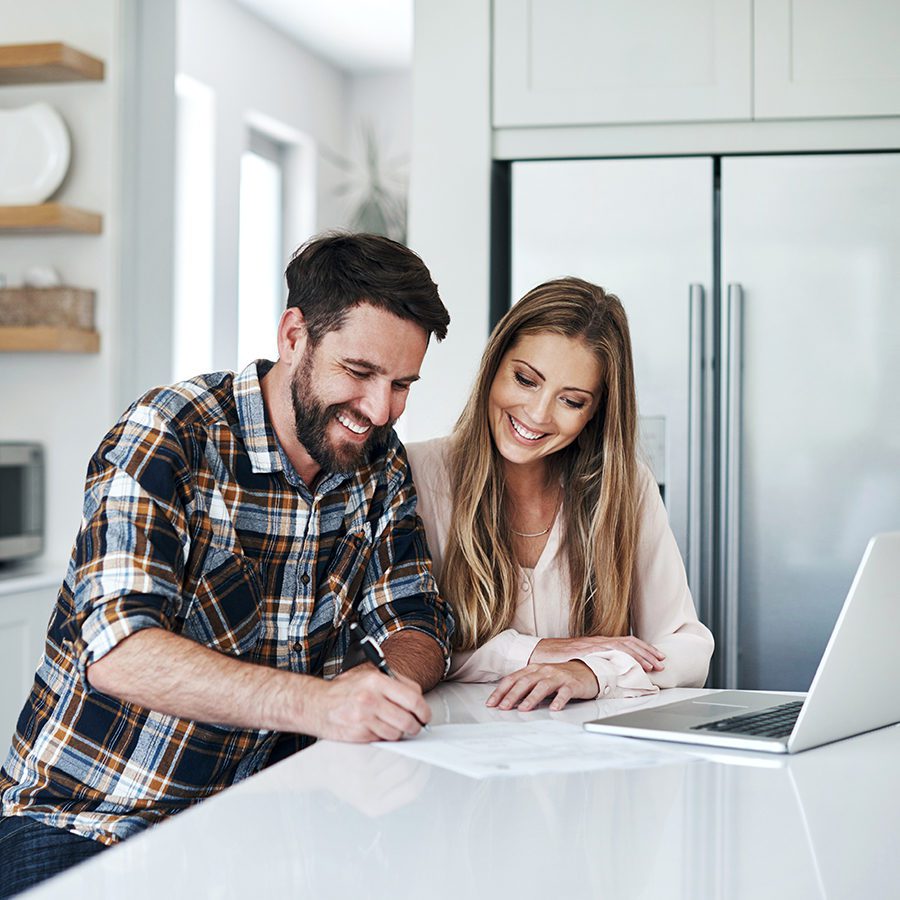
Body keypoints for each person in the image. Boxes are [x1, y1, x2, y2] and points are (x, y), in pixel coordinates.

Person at [0, 233, 453, 896]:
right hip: (90, 819)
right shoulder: (169, 433)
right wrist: (320, 705)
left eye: (402, 384)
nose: (380, 410)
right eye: (359, 373)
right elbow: (118, 649)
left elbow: (416, 616)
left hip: (260, 819)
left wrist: (389, 687)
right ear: (294, 334)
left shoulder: (378, 463)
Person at [407, 277, 713, 712]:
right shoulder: (415, 475)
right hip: (453, 755)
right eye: (525, 379)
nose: (537, 414)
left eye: (571, 401)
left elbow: (688, 646)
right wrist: (536, 650)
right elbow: (403, 649)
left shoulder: (625, 488)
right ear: (494, 364)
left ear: (595, 413)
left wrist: (592, 672)